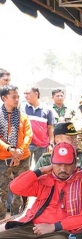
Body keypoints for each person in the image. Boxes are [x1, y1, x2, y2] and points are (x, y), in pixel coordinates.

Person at [0, 143, 82, 239]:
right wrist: (39, 171)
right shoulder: (45, 179)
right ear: (51, 163)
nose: (62, 168)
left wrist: (53, 226)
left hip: (60, 232)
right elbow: (15, 187)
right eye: (58, 164)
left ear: (75, 163)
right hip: (30, 227)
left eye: (67, 164)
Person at [0, 85, 32, 219]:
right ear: (4, 98)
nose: (17, 99)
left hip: (22, 158)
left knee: (21, 189)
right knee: (2, 191)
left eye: (18, 96)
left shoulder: (23, 117)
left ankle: (17, 216)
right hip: (3, 159)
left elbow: (28, 135)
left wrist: (19, 151)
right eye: (14, 96)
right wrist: (9, 149)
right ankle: (1, 217)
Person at [24, 86, 55, 163]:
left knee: (42, 169)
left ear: (36, 94)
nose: (25, 95)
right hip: (27, 144)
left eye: (28, 93)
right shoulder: (22, 108)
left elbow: (50, 128)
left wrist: (51, 144)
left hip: (42, 145)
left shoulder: (47, 109)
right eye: (24, 93)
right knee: (25, 170)